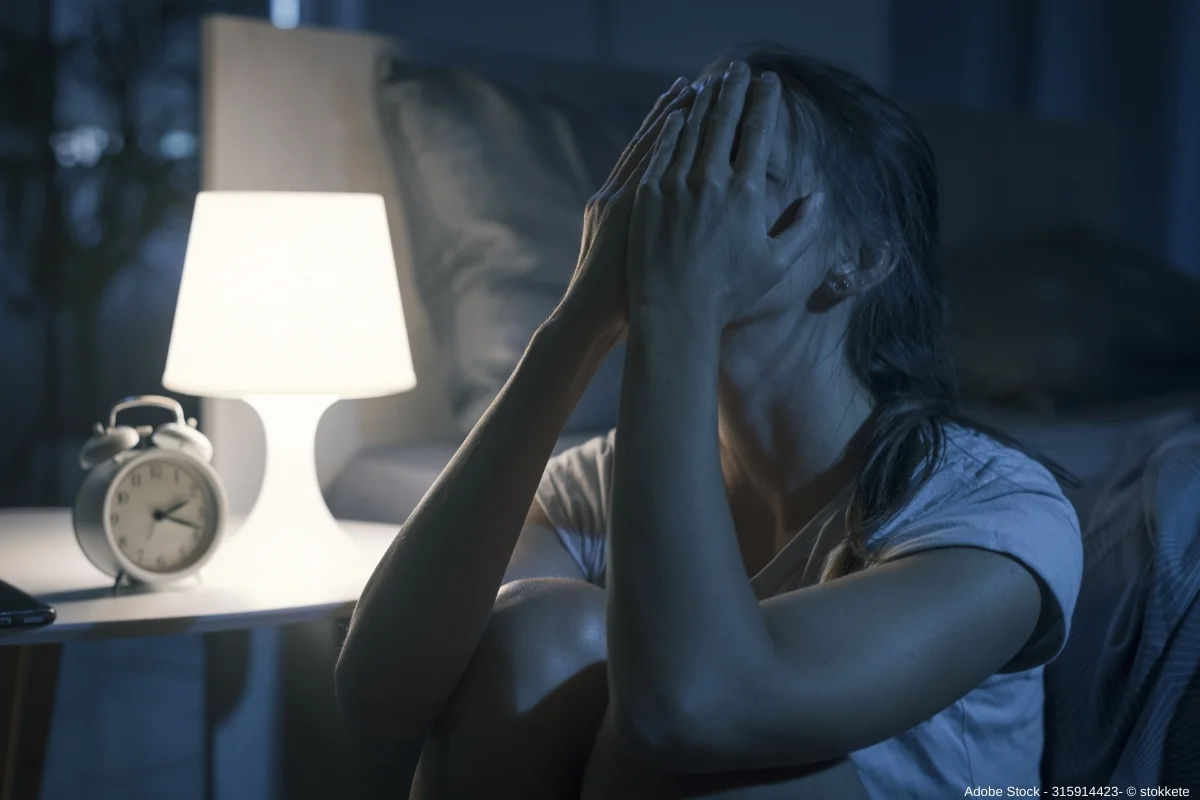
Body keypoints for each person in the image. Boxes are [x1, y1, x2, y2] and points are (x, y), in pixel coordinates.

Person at [334, 45, 1084, 799]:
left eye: (740, 171)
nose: (679, 202)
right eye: (673, 166)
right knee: (538, 630)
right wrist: (577, 323)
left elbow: (691, 711)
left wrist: (678, 307)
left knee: (700, 748)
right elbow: (380, 691)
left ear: (859, 259)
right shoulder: (603, 481)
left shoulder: (991, 510)